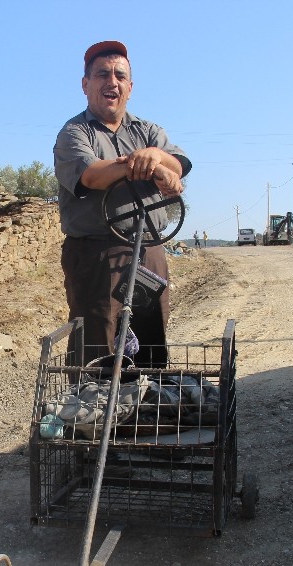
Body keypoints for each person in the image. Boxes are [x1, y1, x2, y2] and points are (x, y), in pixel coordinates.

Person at [53, 40, 191, 368]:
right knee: (97, 344)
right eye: (101, 74)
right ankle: (93, 415)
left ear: (130, 87)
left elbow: (180, 163)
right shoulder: (74, 133)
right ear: (86, 84)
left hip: (150, 251)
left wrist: (157, 158)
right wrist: (144, 165)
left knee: (150, 340)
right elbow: (91, 175)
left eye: (119, 75)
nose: (111, 81)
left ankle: (146, 412)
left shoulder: (149, 131)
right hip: (96, 254)